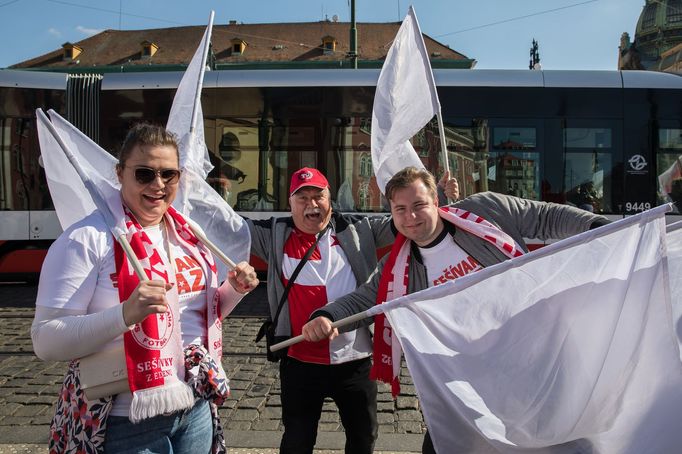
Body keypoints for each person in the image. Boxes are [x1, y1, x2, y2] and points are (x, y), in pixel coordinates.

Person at [302, 166, 609, 454]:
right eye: (400, 209)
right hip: (470, 379)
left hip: (532, 358)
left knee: (566, 440)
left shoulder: (486, 210)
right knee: (442, 445)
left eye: (419, 205)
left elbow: (543, 216)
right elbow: (364, 300)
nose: (410, 217)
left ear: (436, 200)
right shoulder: (398, 269)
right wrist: (325, 316)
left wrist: (594, 225)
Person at [31, 123, 259, 453]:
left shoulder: (188, 234)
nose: (158, 185)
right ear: (120, 173)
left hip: (194, 406)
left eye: (170, 174)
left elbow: (194, 316)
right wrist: (125, 314)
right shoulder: (87, 239)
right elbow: (46, 340)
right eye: (144, 174)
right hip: (125, 417)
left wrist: (233, 290)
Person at [248, 166, 458, 454]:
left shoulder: (360, 230)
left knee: (363, 438)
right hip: (299, 361)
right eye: (302, 198)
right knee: (297, 440)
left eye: (318, 196)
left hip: (355, 361)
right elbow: (221, 225)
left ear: (330, 199)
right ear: (291, 204)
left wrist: (442, 199)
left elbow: (410, 221)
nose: (312, 204)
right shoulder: (274, 235)